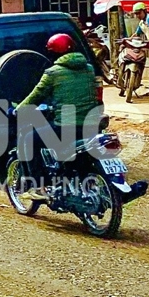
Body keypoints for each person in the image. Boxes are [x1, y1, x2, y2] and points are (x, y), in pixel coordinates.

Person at [17, 33, 102, 201]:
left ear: (54, 52)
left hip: (66, 127)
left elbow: (36, 96)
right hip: (91, 125)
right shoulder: (89, 69)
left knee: (28, 139)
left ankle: (38, 187)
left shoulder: (53, 73)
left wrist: (18, 110)